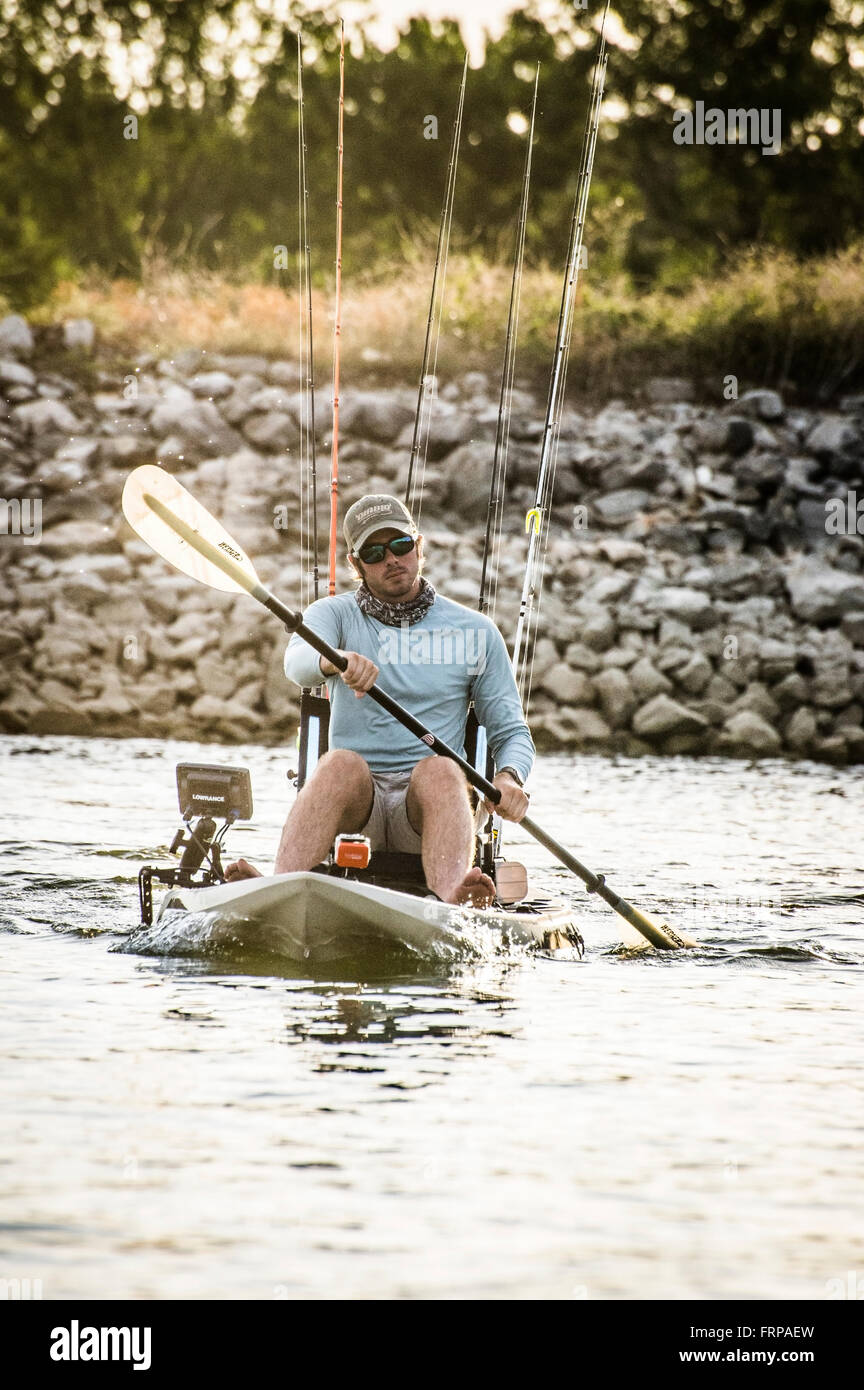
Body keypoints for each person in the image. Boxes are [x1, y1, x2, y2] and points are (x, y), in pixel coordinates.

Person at [226, 493, 533, 905]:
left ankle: (452, 896)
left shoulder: (475, 632)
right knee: (339, 763)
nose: (391, 559)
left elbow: (512, 731)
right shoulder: (332, 615)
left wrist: (510, 778)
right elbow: (296, 664)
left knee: (441, 769)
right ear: (356, 565)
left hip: (427, 811)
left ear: (419, 547)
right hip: (358, 809)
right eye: (374, 552)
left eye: (401, 546)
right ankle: (279, 891)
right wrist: (334, 661)